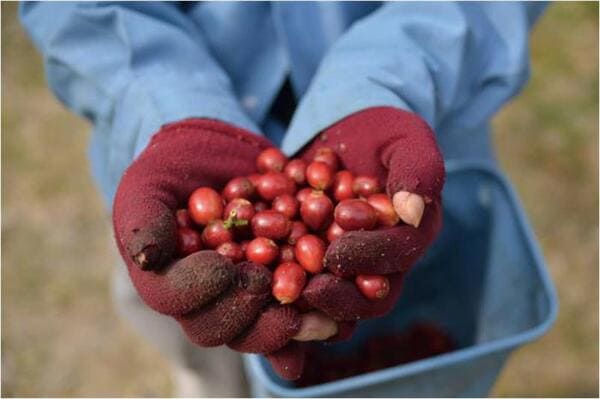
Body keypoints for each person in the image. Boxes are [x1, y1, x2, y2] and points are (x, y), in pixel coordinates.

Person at [20, 2, 547, 396]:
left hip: (407, 137)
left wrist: (392, 77)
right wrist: (162, 107)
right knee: (204, 323)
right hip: (162, 148)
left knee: (403, 310)